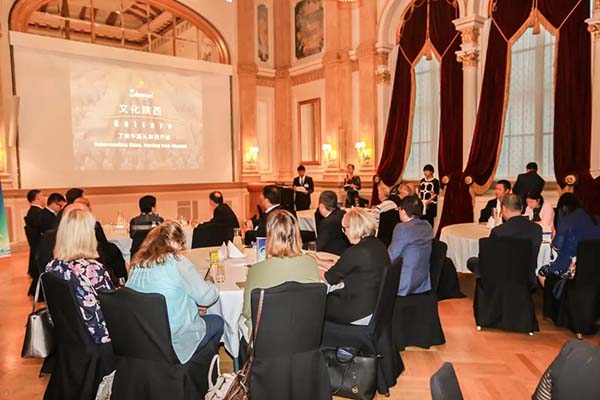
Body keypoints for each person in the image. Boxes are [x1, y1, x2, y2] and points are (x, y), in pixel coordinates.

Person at [126, 221, 223, 366]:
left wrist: (191, 306)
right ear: (172, 241)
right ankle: (200, 369)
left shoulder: (136, 266)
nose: (181, 249)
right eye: (181, 244)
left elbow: (157, 299)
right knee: (217, 322)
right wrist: (211, 281)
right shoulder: (177, 262)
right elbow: (207, 297)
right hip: (174, 342)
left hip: (144, 340)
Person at [240, 210, 321, 337]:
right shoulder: (311, 264)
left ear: (270, 236)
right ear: (296, 234)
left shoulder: (256, 270)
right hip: (304, 334)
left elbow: (247, 311)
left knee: (238, 321)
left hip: (267, 338)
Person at [45, 205, 115, 343]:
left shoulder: (53, 266)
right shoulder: (92, 269)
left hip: (69, 338)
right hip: (99, 338)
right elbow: (112, 308)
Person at [323, 208, 389, 324]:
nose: (344, 233)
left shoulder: (357, 251)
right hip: (375, 306)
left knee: (316, 301)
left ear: (353, 228)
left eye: (345, 228)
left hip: (358, 311)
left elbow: (329, 277)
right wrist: (318, 261)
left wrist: (312, 266)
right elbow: (341, 266)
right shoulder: (378, 245)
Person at [468, 194, 543, 287]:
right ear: (522, 208)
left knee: (472, 261)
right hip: (527, 278)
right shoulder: (537, 229)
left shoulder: (499, 231)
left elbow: (488, 259)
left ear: (504, 209)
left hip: (502, 280)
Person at [538, 193, 600, 295]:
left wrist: (554, 234)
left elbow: (557, 246)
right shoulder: (596, 219)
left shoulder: (566, 221)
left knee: (541, 273)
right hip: (594, 267)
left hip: (570, 267)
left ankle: (556, 299)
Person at [388, 195, 434, 295]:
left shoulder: (402, 228)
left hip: (403, 282)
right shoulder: (427, 225)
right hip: (422, 282)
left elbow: (391, 257)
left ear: (403, 211)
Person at [24, 189, 45, 295]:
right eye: (43, 196)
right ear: (38, 198)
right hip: (41, 246)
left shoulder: (33, 211)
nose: (44, 198)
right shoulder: (38, 213)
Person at [315, 191, 350, 255]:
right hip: (346, 251)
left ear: (321, 206)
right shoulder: (343, 213)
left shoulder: (327, 222)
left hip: (332, 254)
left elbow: (318, 246)